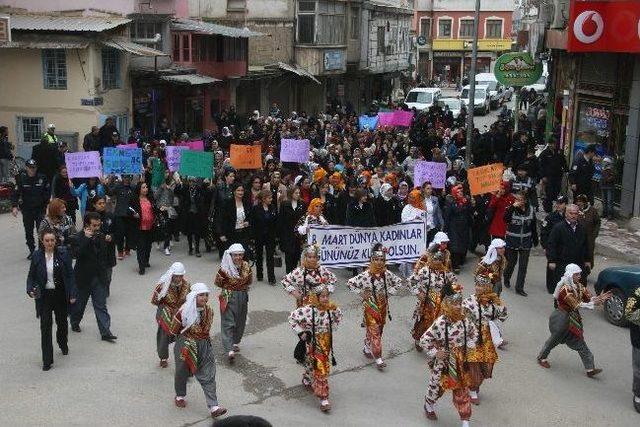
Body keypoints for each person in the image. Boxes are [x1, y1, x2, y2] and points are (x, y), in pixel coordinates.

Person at [537, 264, 611, 377]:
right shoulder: (564, 290)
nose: (579, 276)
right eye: (577, 274)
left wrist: (599, 299)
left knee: (580, 342)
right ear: (570, 275)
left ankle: (590, 368)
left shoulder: (579, 286)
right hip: (561, 318)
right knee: (554, 340)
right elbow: (577, 305)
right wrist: (594, 303)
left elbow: (588, 298)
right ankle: (541, 357)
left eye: (579, 274)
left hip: (573, 318)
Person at [419, 284, 477, 426]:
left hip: (460, 361)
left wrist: (471, 342)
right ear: (447, 304)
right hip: (444, 361)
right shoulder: (440, 323)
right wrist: (435, 352)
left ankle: (465, 419)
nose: (458, 307)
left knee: (462, 389)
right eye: (454, 304)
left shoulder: (465, 320)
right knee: (437, 386)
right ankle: (429, 404)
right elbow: (424, 340)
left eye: (459, 303)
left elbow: (474, 333)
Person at [171, 283, 227, 418]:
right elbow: (174, 330)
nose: (205, 298)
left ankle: (214, 406)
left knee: (209, 373)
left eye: (206, 295)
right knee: (181, 371)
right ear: (194, 296)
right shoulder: (183, 311)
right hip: (186, 344)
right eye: (201, 295)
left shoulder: (209, 311)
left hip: (204, 345)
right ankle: (180, 395)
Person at [26, 228, 77, 371]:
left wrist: (72, 293)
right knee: (45, 327)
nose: (49, 243)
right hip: (44, 297)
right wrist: (30, 289)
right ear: (42, 241)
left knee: (62, 323)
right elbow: (31, 276)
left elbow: (70, 275)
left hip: (60, 295)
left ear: (56, 241)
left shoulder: (63, 254)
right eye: (46, 240)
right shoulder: (37, 256)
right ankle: (47, 360)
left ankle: (62, 343)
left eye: (52, 240)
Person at [347, 243, 403, 370]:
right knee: (375, 330)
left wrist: (389, 292)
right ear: (371, 260)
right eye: (376, 259)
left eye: (382, 260)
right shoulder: (365, 275)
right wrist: (361, 294)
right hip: (370, 306)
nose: (379, 262)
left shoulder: (386, 274)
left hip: (383, 306)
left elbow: (398, 282)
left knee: (379, 329)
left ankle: (367, 346)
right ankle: (378, 358)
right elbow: (350, 284)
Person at [289, 285, 342, 412]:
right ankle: (324, 398)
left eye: (327, 296)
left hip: (326, 343)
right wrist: (301, 332)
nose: (325, 299)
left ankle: (307, 376)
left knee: (311, 363)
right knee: (320, 369)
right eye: (322, 296)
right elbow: (292, 318)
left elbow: (339, 316)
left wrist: (333, 327)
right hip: (313, 343)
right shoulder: (308, 310)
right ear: (316, 297)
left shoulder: (332, 309)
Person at [69, 212, 117, 342]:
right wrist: (86, 239)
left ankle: (105, 332)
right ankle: (75, 321)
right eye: (94, 226)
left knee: (101, 305)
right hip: (83, 278)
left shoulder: (101, 236)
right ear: (87, 225)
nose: (97, 228)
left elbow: (105, 256)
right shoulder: (78, 237)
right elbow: (76, 255)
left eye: (98, 225)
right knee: (80, 305)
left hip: (99, 278)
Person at [463, 273, 508, 405]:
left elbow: (503, 317)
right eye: (477, 285)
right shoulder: (468, 301)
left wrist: (499, 303)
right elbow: (463, 321)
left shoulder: (492, 302)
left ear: (488, 287)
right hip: (472, 338)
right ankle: (472, 390)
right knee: (474, 365)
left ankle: (475, 385)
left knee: (487, 365)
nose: (478, 288)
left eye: (481, 285)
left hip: (486, 337)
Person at [409, 247, 457, 351]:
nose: (438, 262)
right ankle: (419, 339)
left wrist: (453, 294)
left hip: (441, 302)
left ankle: (434, 343)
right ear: (431, 259)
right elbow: (412, 281)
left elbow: (454, 283)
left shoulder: (446, 272)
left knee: (439, 323)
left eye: (440, 260)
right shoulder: (424, 271)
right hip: (427, 302)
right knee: (424, 321)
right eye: (435, 259)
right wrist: (418, 293)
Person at [215, 244, 252, 362]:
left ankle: (235, 342)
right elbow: (218, 282)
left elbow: (250, 280)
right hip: (228, 296)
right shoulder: (224, 268)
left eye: (240, 255)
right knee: (228, 322)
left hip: (242, 295)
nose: (238, 257)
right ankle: (229, 348)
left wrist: (242, 288)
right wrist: (230, 287)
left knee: (240, 321)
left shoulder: (246, 266)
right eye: (235, 255)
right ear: (230, 255)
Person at [151, 262, 189, 368]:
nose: (179, 278)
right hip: (166, 313)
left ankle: (183, 357)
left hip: (180, 313)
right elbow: (155, 300)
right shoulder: (163, 286)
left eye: (181, 276)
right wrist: (165, 309)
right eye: (176, 276)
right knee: (163, 335)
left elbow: (189, 299)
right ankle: (163, 357)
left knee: (184, 335)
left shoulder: (186, 285)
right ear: (172, 275)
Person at [12, 159, 50, 258]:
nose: (32, 169)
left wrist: (47, 206)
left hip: (40, 209)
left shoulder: (42, 177)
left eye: (34, 168)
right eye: (30, 168)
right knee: (28, 231)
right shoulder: (22, 179)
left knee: (41, 230)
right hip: (27, 209)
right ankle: (32, 251)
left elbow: (47, 193)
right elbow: (15, 194)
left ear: (36, 168)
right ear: (26, 168)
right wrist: (14, 206)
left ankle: (41, 251)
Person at [503, 191, 538, 297]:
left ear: (525, 200)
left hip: (526, 242)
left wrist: (535, 239)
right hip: (512, 241)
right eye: (516, 199)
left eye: (520, 199)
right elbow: (505, 219)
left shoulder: (531, 210)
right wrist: (512, 207)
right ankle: (506, 277)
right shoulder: (511, 208)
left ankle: (519, 288)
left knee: (523, 266)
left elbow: (533, 226)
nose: (517, 201)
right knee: (511, 263)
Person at [546, 204, 590, 283]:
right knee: (564, 290)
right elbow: (551, 245)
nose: (573, 216)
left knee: (580, 288)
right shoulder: (558, 228)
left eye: (575, 213)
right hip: (563, 263)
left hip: (578, 262)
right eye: (571, 213)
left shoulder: (582, 228)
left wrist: (587, 260)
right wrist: (551, 260)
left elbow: (586, 245)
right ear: (566, 214)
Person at [540, 196, 568, 294]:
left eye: (560, 203)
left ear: (565, 204)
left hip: (564, 247)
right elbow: (543, 232)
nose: (557, 205)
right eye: (557, 203)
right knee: (552, 266)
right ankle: (551, 287)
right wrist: (544, 246)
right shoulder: (550, 217)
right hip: (552, 246)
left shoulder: (568, 217)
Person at [250, 190, 277, 285]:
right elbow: (253, 223)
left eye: (271, 197)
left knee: (270, 256)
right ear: (263, 199)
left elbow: (276, 222)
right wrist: (252, 237)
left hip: (270, 236)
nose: (271, 199)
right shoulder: (256, 208)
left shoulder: (273, 207)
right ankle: (259, 274)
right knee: (259, 255)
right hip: (259, 235)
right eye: (269, 198)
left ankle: (271, 277)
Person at [444, 185, 473, 274]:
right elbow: (447, 216)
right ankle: (455, 265)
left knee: (462, 244)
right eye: (458, 192)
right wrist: (446, 228)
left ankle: (460, 260)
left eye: (461, 192)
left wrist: (471, 205)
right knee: (455, 246)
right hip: (454, 227)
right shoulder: (451, 202)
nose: (460, 193)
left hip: (464, 227)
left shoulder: (466, 201)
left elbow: (469, 214)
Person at [91, 196, 116, 296]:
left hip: (108, 250)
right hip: (95, 251)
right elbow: (87, 233)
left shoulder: (110, 216)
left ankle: (105, 289)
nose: (102, 205)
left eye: (103, 203)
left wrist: (112, 237)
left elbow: (116, 231)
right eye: (99, 203)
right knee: (96, 274)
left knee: (108, 275)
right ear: (94, 205)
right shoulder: (90, 217)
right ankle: (97, 292)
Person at [106, 175, 136, 260]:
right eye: (125, 177)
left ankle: (127, 249)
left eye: (128, 177)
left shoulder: (133, 187)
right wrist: (106, 183)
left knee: (129, 233)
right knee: (120, 234)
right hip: (119, 214)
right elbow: (110, 193)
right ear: (122, 178)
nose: (126, 179)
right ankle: (120, 251)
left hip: (130, 214)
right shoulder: (118, 186)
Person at [130, 181, 156, 275]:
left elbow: (154, 208)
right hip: (139, 227)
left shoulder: (150, 198)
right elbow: (129, 209)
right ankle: (141, 266)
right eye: (143, 187)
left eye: (146, 187)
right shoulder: (134, 199)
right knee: (141, 247)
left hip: (150, 226)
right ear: (139, 189)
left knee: (148, 246)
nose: (146, 189)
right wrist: (133, 214)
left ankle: (146, 260)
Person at [278, 187, 306, 273]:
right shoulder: (284, 204)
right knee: (289, 254)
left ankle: (294, 272)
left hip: (298, 233)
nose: (298, 195)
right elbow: (281, 220)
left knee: (296, 255)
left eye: (299, 193)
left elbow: (304, 218)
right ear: (291, 193)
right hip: (287, 233)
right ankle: (289, 273)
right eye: (296, 193)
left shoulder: (302, 204)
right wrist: (280, 235)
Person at [217, 183, 251, 253]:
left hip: (243, 233)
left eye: (242, 190)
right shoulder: (227, 203)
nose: (240, 192)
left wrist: (248, 222)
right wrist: (221, 234)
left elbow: (250, 216)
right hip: (231, 234)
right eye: (238, 190)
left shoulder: (246, 203)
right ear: (234, 191)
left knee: (243, 254)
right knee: (231, 255)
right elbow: (221, 219)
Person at [538, 139, 567, 213]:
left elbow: (563, 161)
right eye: (552, 144)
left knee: (556, 191)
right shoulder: (545, 153)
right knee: (549, 193)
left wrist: (566, 170)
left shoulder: (559, 152)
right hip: (549, 176)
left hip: (558, 176)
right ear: (549, 144)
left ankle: (550, 202)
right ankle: (548, 207)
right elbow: (540, 165)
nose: (554, 145)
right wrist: (543, 176)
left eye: (555, 144)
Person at [624, 286, 640, 413]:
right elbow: (629, 313)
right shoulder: (637, 292)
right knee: (639, 370)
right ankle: (638, 396)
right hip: (639, 340)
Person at [576, 194, 601, 273]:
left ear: (585, 202)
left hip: (589, 237)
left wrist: (594, 234)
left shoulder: (592, 211)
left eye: (581, 201)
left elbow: (597, 222)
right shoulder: (575, 210)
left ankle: (587, 268)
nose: (579, 203)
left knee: (589, 252)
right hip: (578, 237)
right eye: (578, 201)